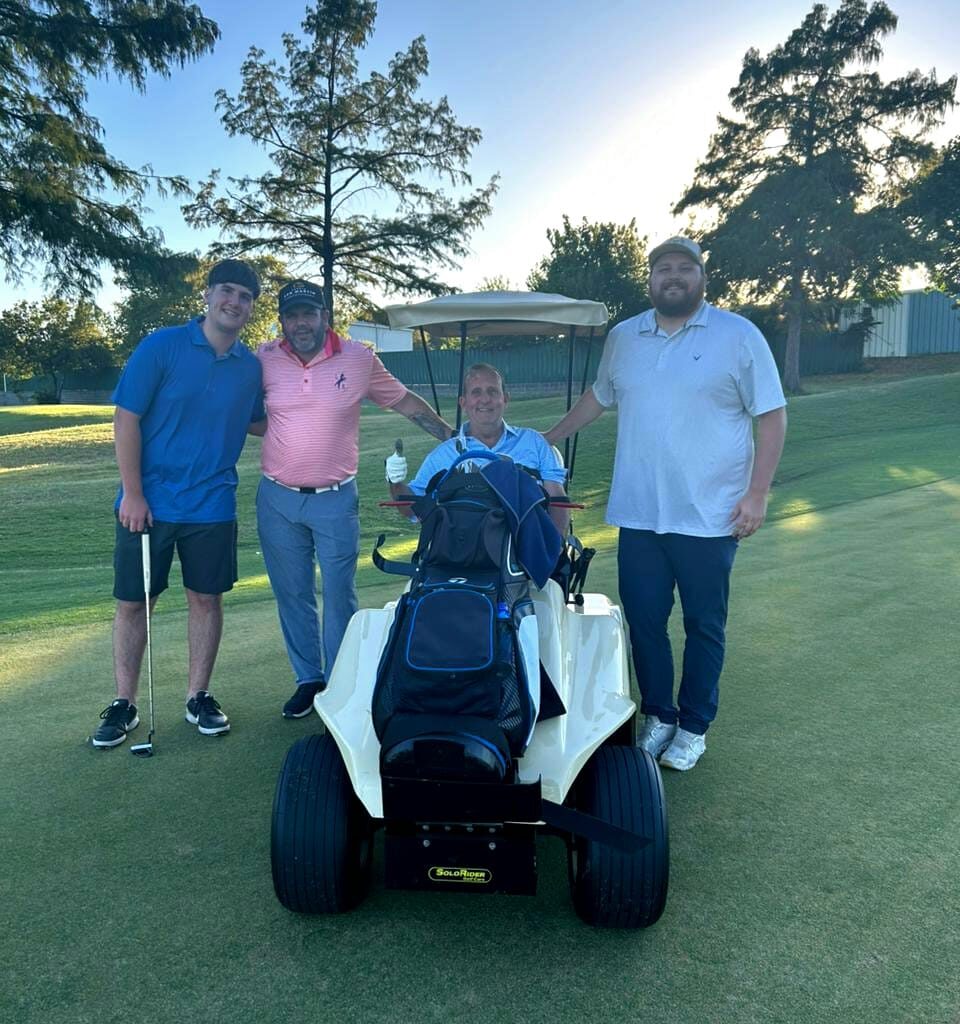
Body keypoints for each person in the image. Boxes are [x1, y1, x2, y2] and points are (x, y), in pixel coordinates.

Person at [544, 236, 787, 771]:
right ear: (650, 279)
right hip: (639, 514)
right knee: (645, 621)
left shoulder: (738, 335)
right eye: (662, 269)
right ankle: (660, 714)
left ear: (701, 276)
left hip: (710, 516)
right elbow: (599, 396)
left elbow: (771, 415)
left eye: (684, 268)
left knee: (703, 624)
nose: (672, 277)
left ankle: (694, 726)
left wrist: (757, 493)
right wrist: (548, 439)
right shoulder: (624, 337)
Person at [254, 280, 454, 719]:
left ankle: (340, 681)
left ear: (324, 316)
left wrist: (455, 440)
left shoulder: (359, 359)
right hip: (277, 499)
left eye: (309, 314)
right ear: (282, 321)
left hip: (335, 497)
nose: (301, 323)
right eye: (292, 316)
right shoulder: (264, 358)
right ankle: (309, 680)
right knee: (292, 593)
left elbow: (405, 402)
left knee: (339, 591)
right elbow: (246, 415)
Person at [92, 259, 265, 747]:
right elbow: (126, 419)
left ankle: (198, 696)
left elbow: (259, 422)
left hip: (212, 504)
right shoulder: (161, 346)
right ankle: (124, 703)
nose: (234, 302)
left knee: (206, 599)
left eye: (245, 296)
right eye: (226, 290)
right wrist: (133, 492)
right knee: (134, 602)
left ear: (251, 308)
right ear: (207, 295)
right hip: (147, 503)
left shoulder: (250, 367)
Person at [407, 363, 569, 533]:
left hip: (527, 543)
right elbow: (412, 508)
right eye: (476, 392)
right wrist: (394, 482)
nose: (485, 399)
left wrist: (554, 545)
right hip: (461, 546)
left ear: (505, 399)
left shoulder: (534, 443)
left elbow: (557, 500)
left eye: (492, 391)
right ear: (463, 402)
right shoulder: (442, 454)